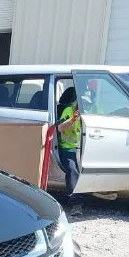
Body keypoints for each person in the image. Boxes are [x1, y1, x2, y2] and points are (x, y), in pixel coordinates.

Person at [56, 86, 83, 216]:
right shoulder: (69, 110)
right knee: (72, 170)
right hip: (66, 147)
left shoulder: (84, 110)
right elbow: (60, 127)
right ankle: (75, 204)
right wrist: (72, 120)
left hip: (78, 148)